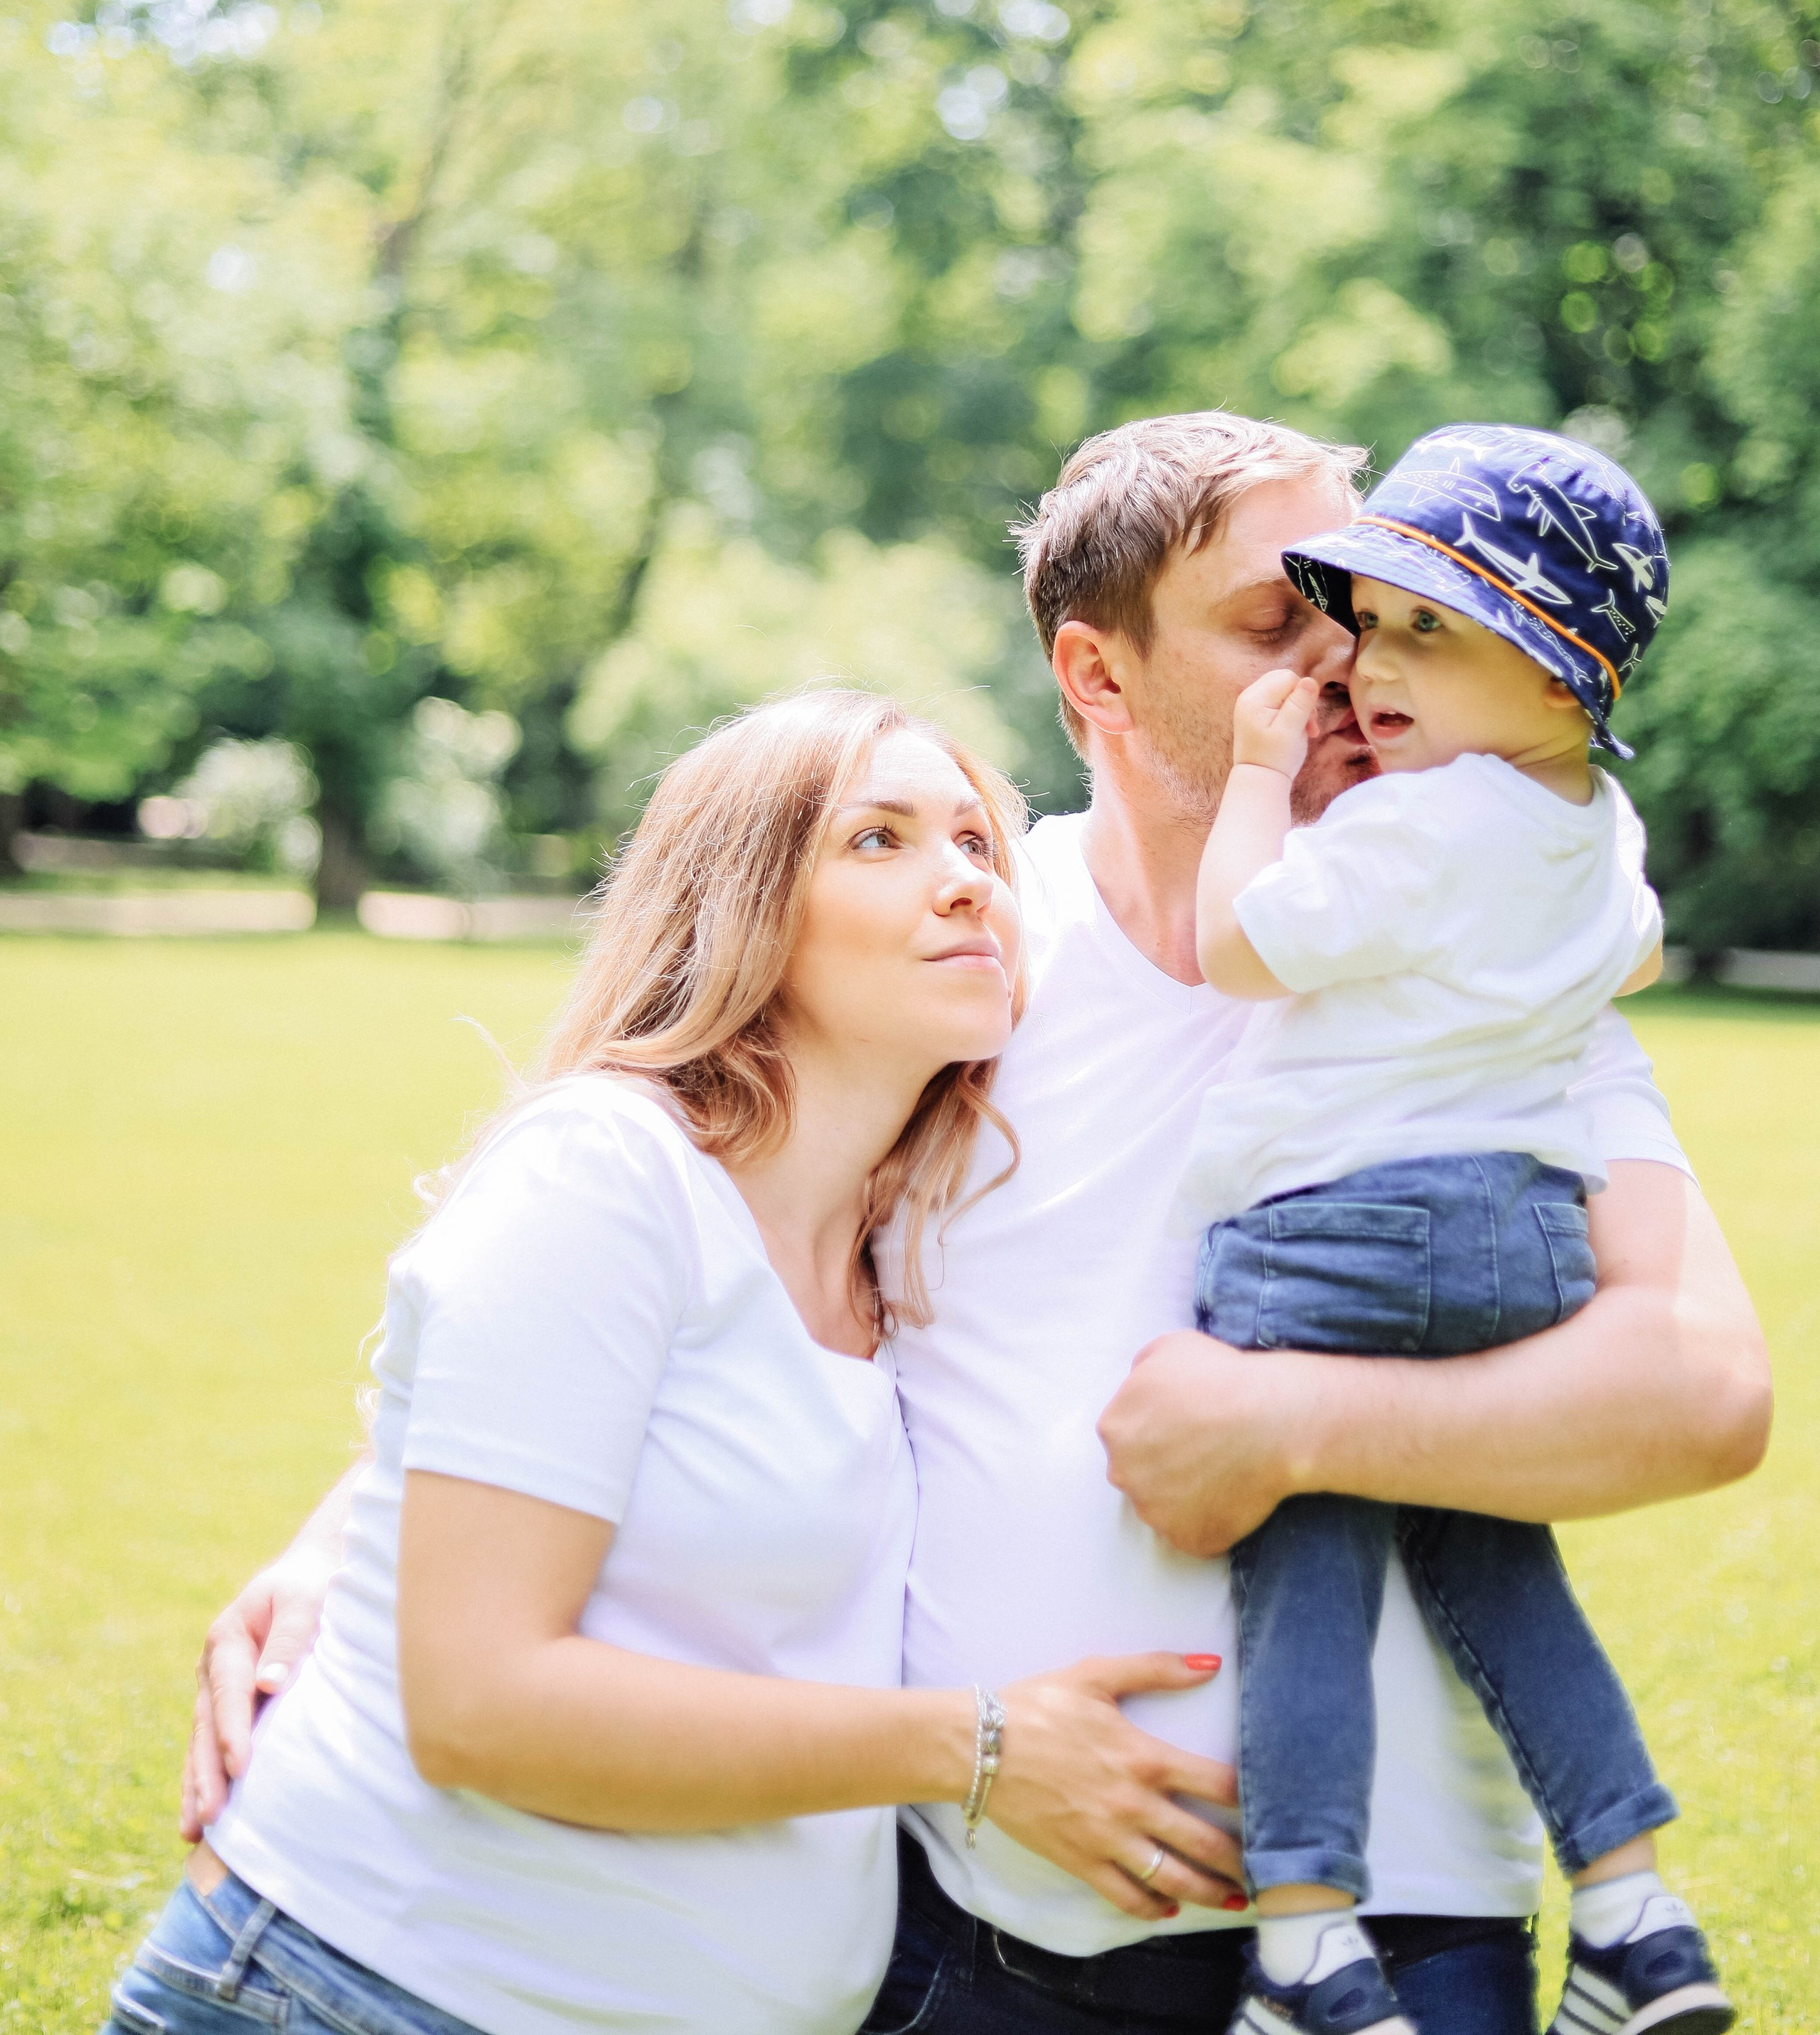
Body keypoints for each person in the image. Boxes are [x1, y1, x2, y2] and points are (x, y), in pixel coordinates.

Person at [185, 416, 1773, 2035]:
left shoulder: (1493, 969)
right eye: (1275, 619)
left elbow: (1703, 1390)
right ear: (1097, 677)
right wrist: (348, 1539)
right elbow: (656, 1248)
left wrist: (1282, 1422)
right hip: (979, 1931)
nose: (1348, 663)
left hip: (1405, 1926)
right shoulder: (969, 951)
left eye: (1366, 612)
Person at [113, 690, 1248, 2035]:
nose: (963, 882)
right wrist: (982, 1743)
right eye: (877, 840)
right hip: (365, 1988)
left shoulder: (893, 1253)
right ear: (743, 908)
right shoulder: (608, 1173)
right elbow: (480, 1706)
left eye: (974, 844)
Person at [1183, 424, 1730, 2035]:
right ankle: (1632, 1909)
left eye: (1432, 628)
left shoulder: (1418, 825)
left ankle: (1303, 1939)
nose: (1370, 667)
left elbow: (1237, 946)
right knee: (1494, 1558)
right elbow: (1633, 952)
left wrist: (1254, 782)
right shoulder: (1593, 828)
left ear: (1562, 680)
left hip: (1341, 1233)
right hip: (1519, 1241)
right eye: (1370, 622)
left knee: (1302, 1562)